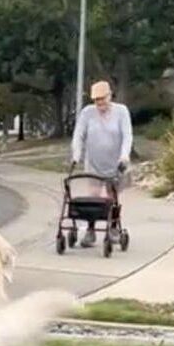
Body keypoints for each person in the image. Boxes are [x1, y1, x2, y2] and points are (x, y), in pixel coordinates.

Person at [69, 80, 132, 247]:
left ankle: (112, 229)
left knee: (112, 198)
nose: (99, 103)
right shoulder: (87, 113)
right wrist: (77, 154)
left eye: (102, 99)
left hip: (115, 163)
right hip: (94, 163)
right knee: (94, 197)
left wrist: (124, 156)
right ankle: (90, 231)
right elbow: (79, 135)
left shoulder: (121, 111)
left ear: (109, 96)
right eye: (96, 100)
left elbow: (127, 136)